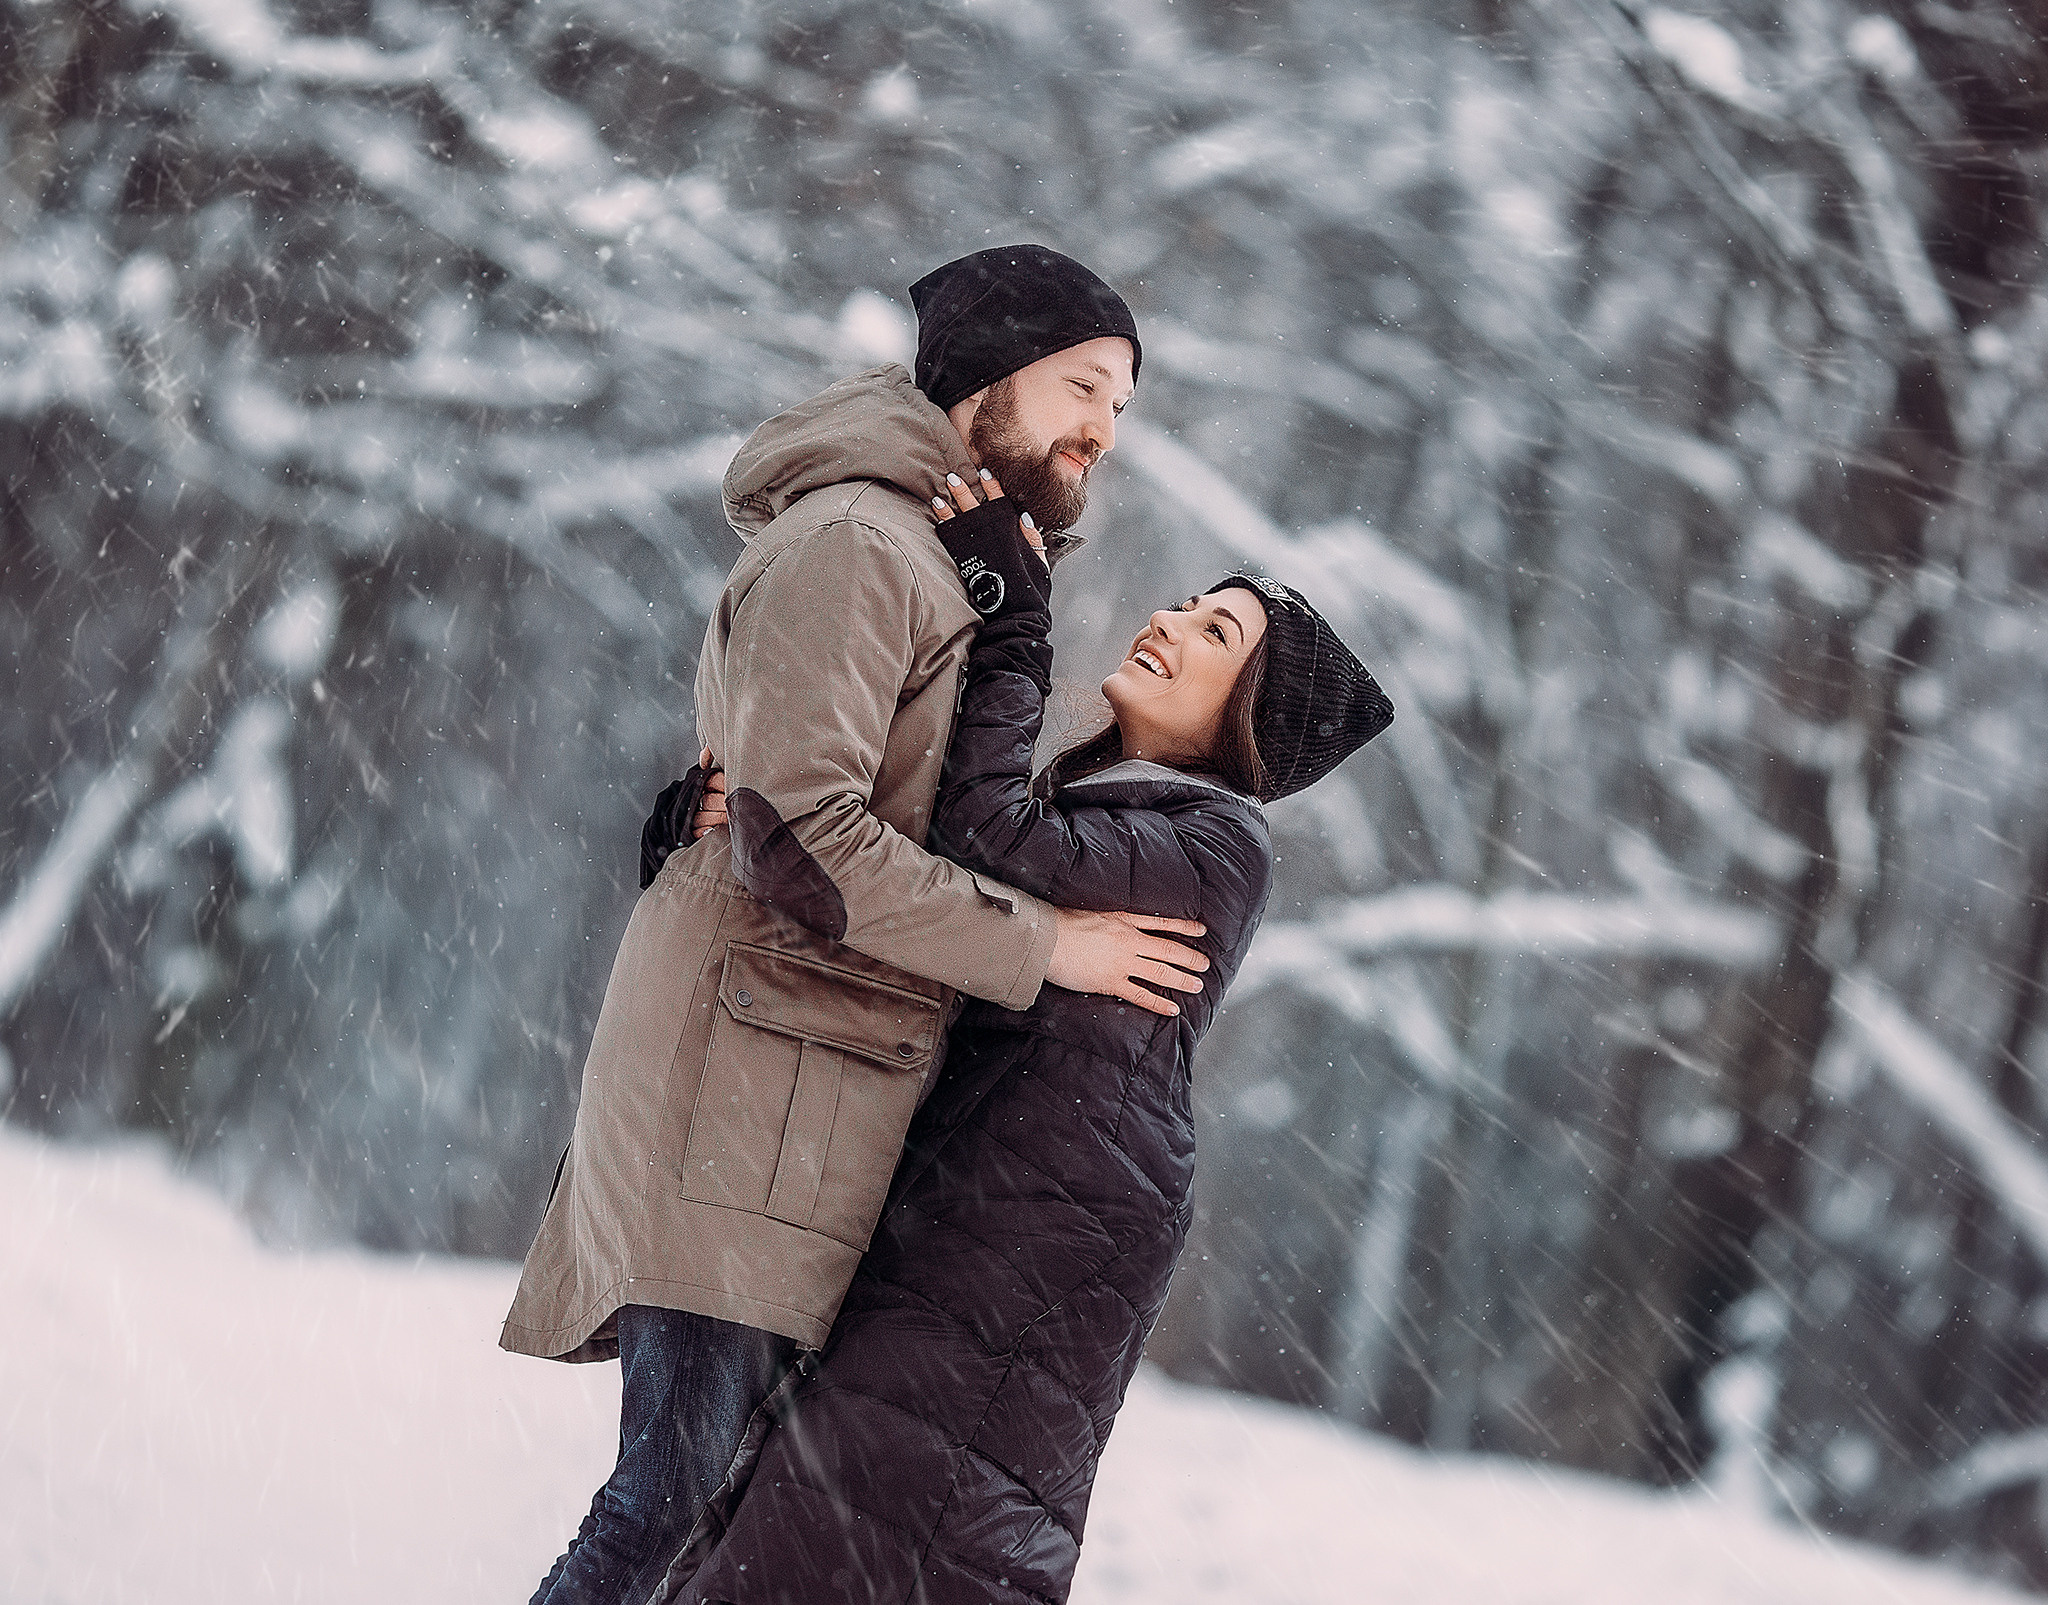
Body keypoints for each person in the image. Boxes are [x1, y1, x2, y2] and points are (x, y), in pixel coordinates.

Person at [503, 246, 1219, 1605]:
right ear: (984, 380)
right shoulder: (857, 543)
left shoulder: (946, 564)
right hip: (742, 1096)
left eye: (1119, 409)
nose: (1100, 431)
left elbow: (845, 802)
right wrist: (1049, 947)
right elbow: (801, 842)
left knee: (719, 1522)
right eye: (1081, 388)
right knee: (673, 1505)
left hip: (802, 1101)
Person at [653, 474, 1394, 1604]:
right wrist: (731, 829)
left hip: (1033, 1225)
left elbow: (979, 830)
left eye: (1214, 631)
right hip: (998, 1201)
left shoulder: (1216, 847)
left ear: (1253, 716)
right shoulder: (1121, 814)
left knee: (856, 1527)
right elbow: (923, 894)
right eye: (1187, 601)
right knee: (812, 1526)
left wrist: (1012, 612)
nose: (1167, 618)